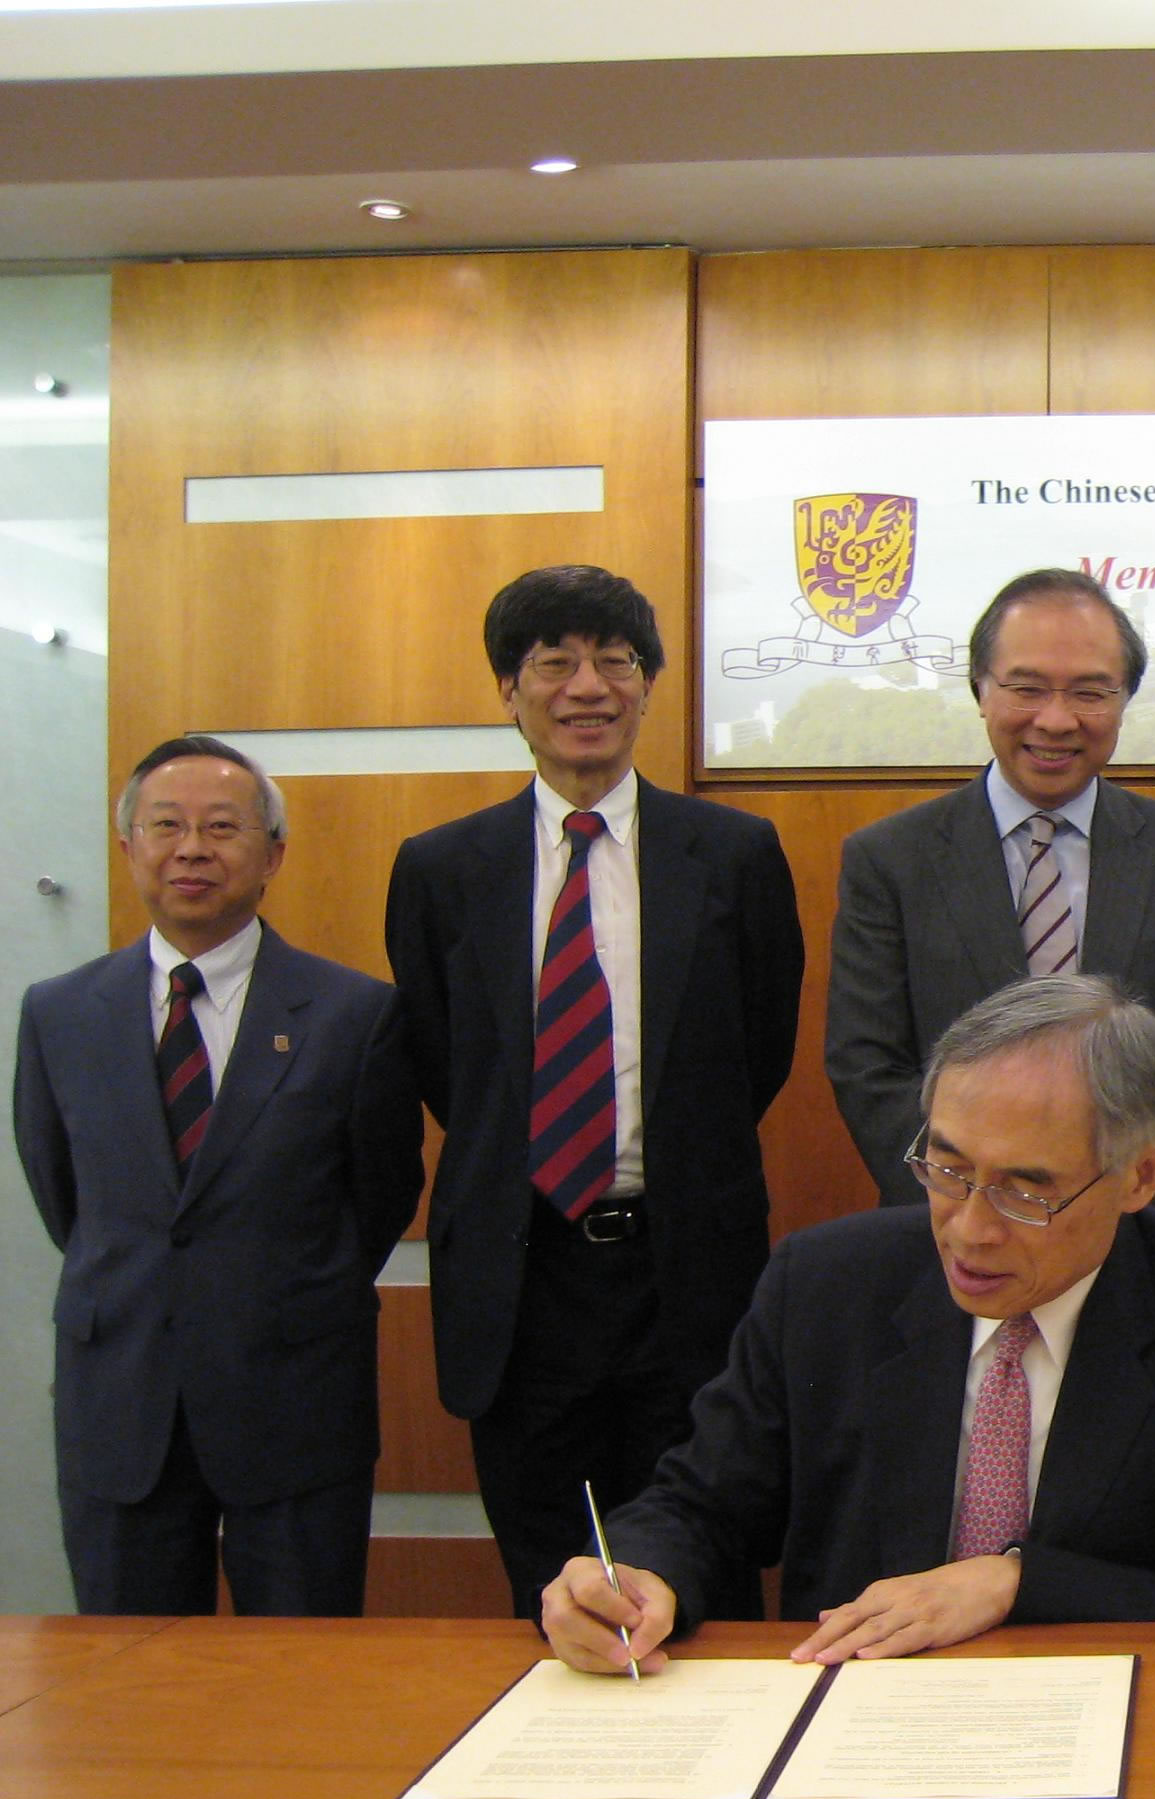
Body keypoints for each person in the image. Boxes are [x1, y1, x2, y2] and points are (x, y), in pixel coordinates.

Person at [541, 974, 1155, 1671]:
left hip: (1119, 1725)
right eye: (948, 1170)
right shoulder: (823, 1285)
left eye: (1025, 1190)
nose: (970, 1230)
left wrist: (1018, 1581)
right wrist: (635, 1575)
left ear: (1141, 1175)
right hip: (855, 1716)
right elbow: (700, 1506)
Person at [385, 565, 805, 1621]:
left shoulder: (733, 853)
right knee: (545, 1575)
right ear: (506, 689)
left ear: (650, 684)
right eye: (553, 663)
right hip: (522, 1282)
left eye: (615, 661)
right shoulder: (441, 868)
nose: (587, 686)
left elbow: (759, 1049)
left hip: (683, 1275)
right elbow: (449, 1070)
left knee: (703, 1553)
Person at [15, 736, 422, 1614]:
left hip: (294, 1401)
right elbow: (65, 1196)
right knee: (131, 1690)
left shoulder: (354, 1015)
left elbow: (381, 1197)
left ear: (272, 852)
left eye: (222, 828)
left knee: (301, 1682)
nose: (191, 848)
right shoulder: (57, 1014)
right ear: (127, 848)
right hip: (121, 1400)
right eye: (165, 825)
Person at [826, 568, 1155, 1228]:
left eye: (1090, 693)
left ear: (1125, 700)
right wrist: (976, 1207)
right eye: (1026, 689)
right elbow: (868, 1067)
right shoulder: (889, 860)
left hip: (1145, 1226)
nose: (1055, 721)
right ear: (979, 689)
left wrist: (1121, 1201)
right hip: (955, 1235)